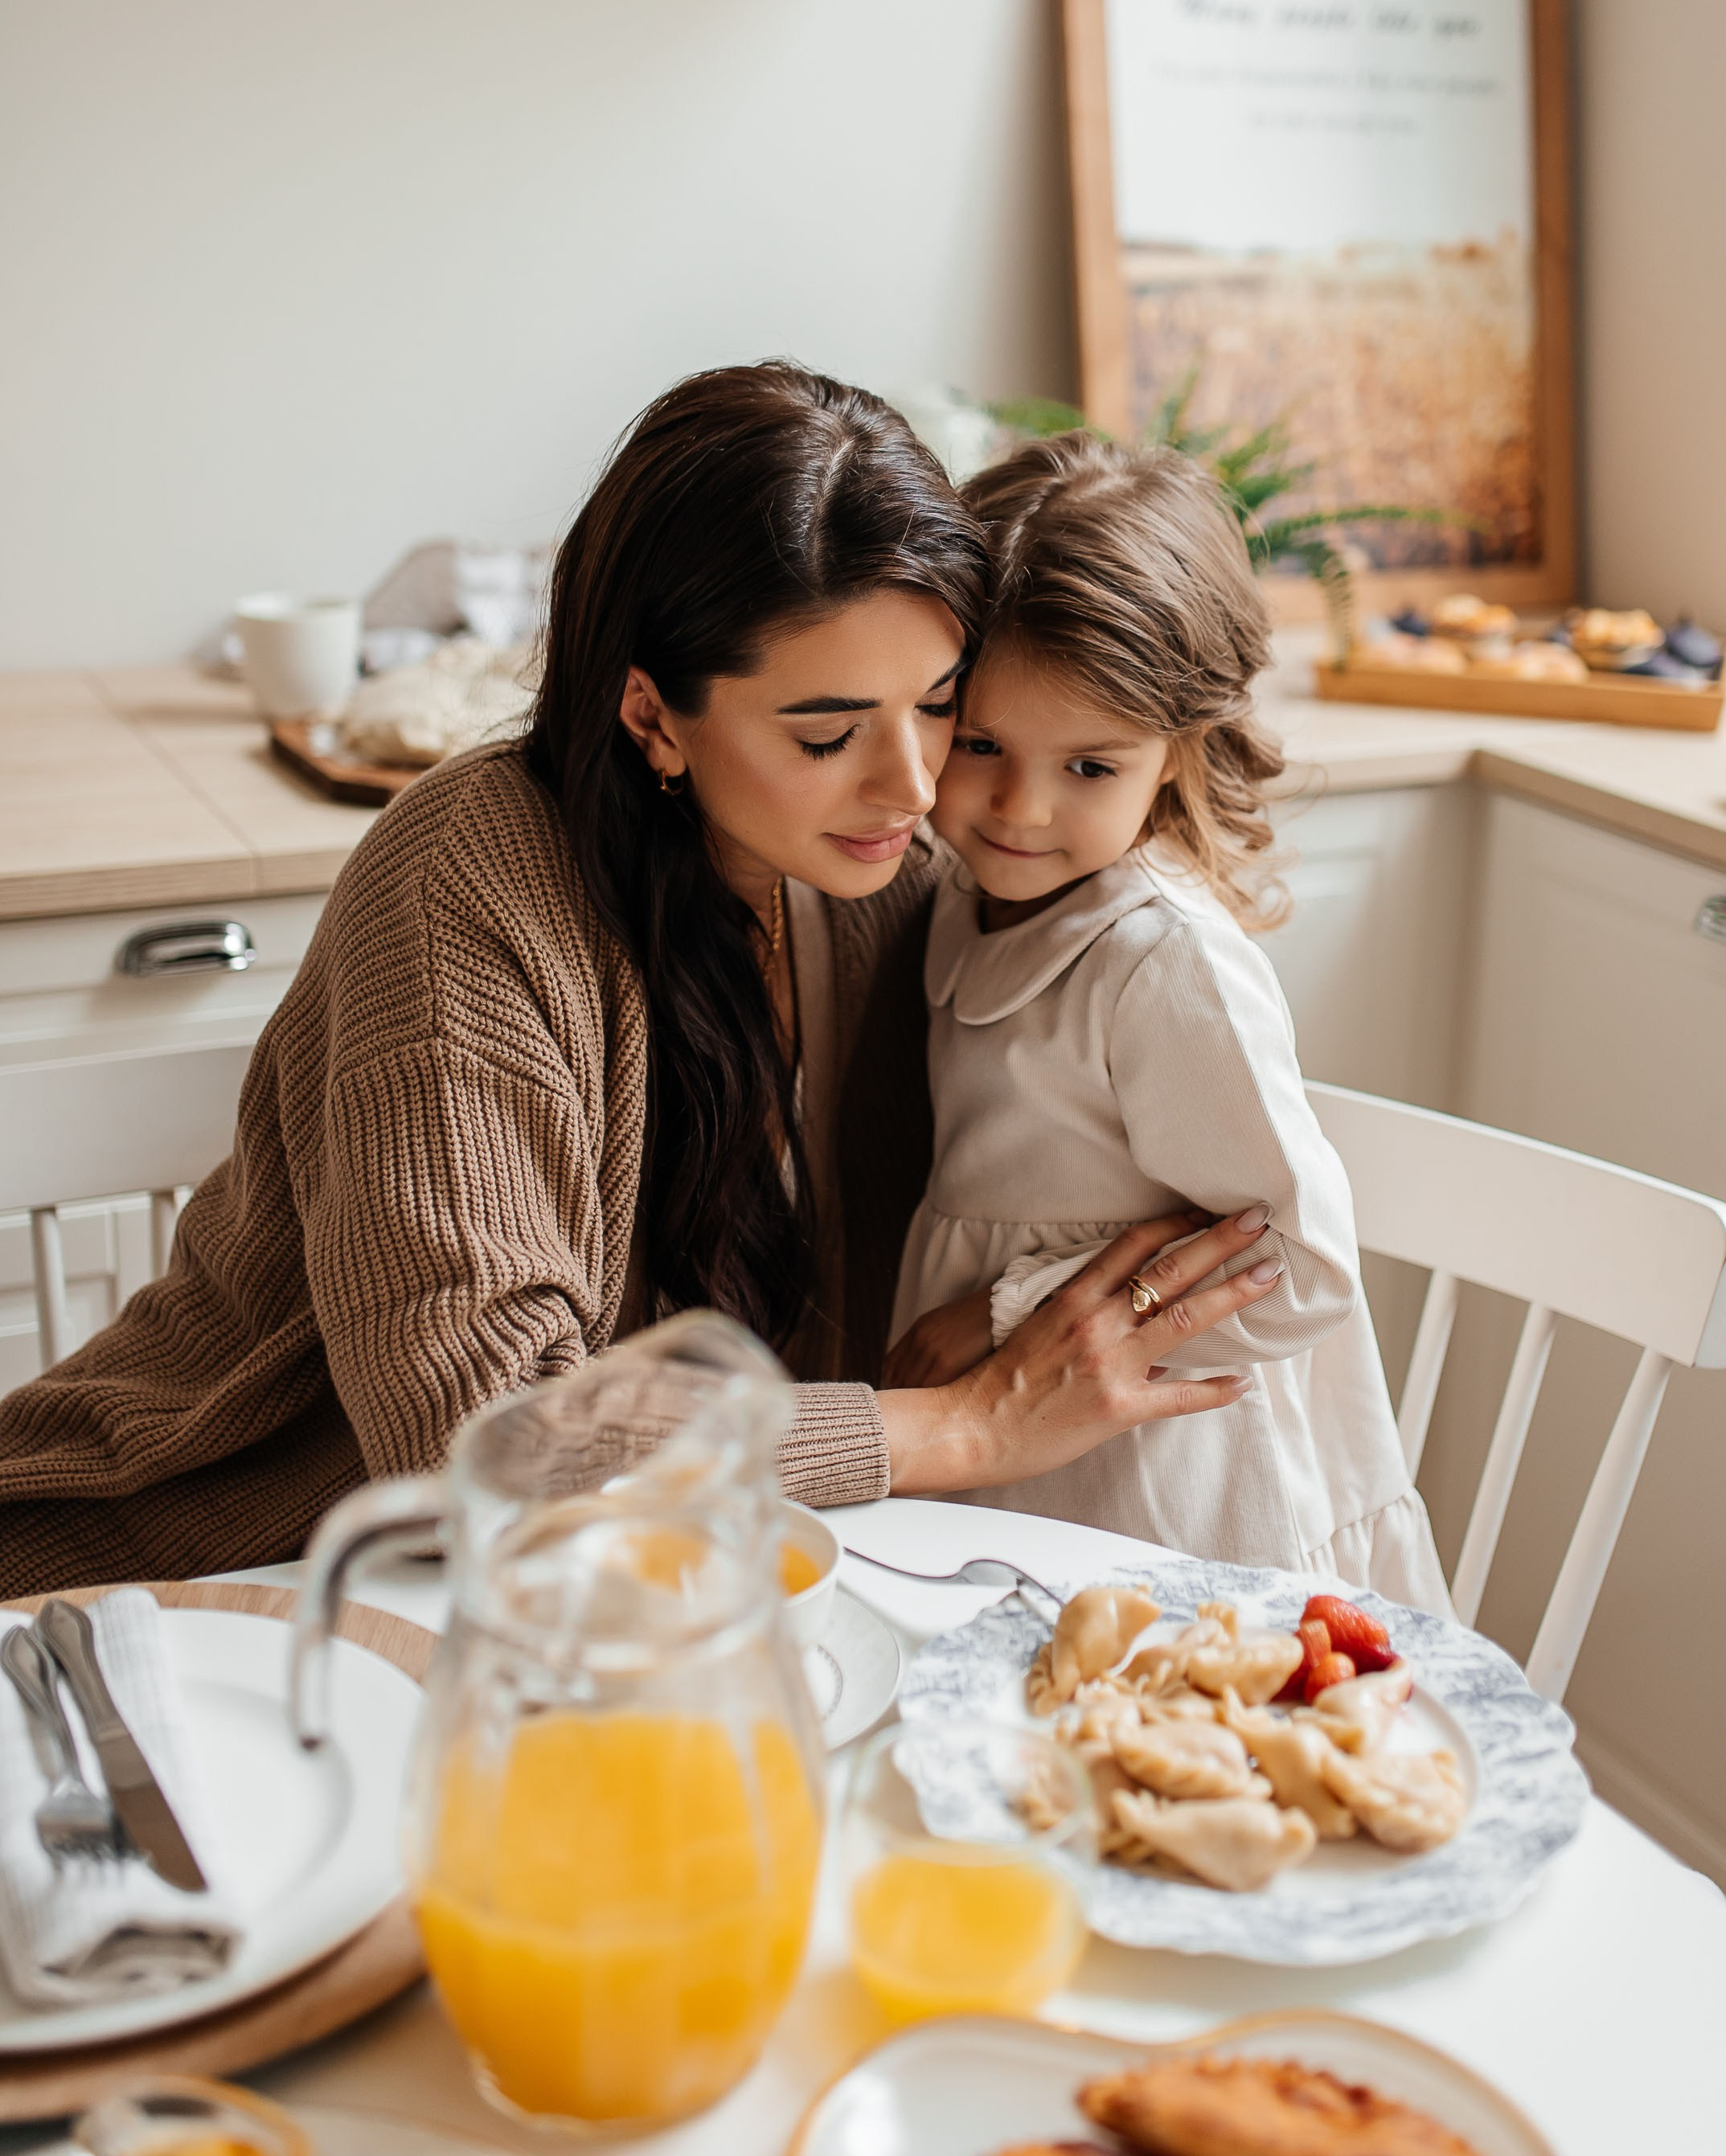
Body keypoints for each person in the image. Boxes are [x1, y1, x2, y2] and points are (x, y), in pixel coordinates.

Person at [0, 369, 1281, 1589]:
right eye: (828, 733)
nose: (914, 786)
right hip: (198, 1594)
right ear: (651, 715)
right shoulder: (466, 880)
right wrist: (959, 1428)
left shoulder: (887, 879)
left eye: (939, 705)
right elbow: (478, 1452)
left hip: (624, 1602)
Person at [885, 432, 1451, 1605]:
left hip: (1157, 1485)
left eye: (1091, 766)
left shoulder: (1162, 963)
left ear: (1178, 753)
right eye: (980, 744)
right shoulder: (961, 893)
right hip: (1010, 1449)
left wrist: (1006, 1321)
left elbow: (1300, 1266)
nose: (1019, 809)